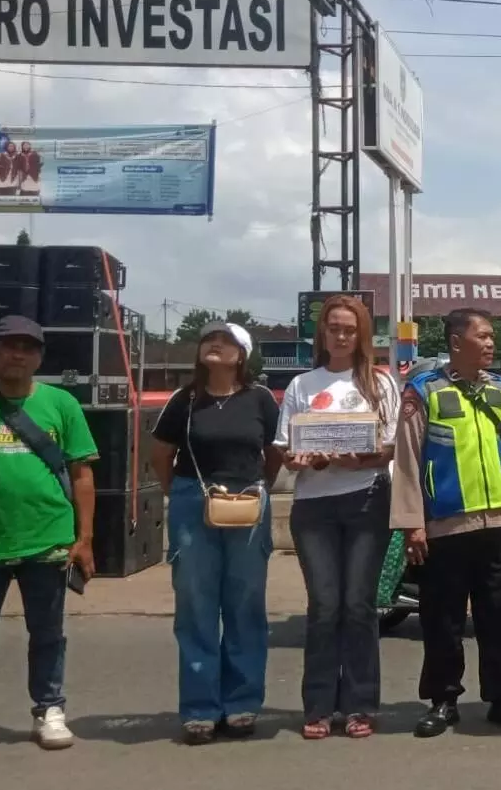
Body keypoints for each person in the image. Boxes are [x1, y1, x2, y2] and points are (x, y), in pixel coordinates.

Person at [0, 316, 98, 768]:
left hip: (48, 541)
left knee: (48, 634)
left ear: (39, 357)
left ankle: (49, 710)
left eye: (28, 348)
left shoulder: (61, 404)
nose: (18, 354)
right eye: (8, 346)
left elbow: (82, 475)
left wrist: (84, 538)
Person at [390, 308, 501, 737]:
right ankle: (443, 699)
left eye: (493, 337)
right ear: (457, 342)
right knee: (443, 618)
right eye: (484, 337)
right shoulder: (424, 391)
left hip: (499, 525)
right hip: (446, 527)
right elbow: (408, 460)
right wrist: (412, 523)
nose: (491, 344)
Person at [151, 321, 281, 745]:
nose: (215, 345)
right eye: (209, 340)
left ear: (241, 355)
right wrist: (182, 493)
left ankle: (241, 703)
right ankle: (200, 708)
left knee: (245, 603)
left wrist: (258, 486)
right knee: (196, 603)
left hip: (248, 500)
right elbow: (161, 454)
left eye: (224, 341)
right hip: (194, 502)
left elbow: (273, 454)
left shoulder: (259, 398)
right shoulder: (184, 399)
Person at [276, 296, 398, 740]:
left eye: (349, 329)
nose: (341, 336)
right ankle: (319, 706)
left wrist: (360, 459)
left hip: (366, 500)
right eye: (334, 328)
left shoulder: (380, 384)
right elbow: (286, 454)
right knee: (325, 606)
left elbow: (388, 449)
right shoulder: (301, 386)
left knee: (358, 605)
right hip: (314, 509)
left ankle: (361, 704)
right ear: (322, 333)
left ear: (361, 334)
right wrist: (304, 458)